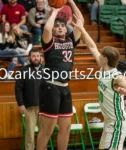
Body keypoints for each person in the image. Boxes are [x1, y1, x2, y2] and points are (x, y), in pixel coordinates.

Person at [72, 13, 126, 150]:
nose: (99, 55)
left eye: (101, 55)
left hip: (117, 122)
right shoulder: (103, 68)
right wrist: (82, 28)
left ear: (105, 59)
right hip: (109, 121)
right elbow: (92, 47)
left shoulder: (117, 77)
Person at [36, 1, 84, 150]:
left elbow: (80, 22)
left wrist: (71, 2)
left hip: (65, 87)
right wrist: (55, 11)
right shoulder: (49, 42)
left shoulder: (70, 40)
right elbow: (47, 29)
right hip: (51, 86)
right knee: (47, 130)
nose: (60, 28)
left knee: (66, 127)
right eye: (57, 26)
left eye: (62, 25)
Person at [15, 48, 43, 150]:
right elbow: (18, 89)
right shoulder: (23, 71)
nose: (36, 58)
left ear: (40, 58)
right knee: (30, 135)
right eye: (34, 56)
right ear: (29, 58)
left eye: (37, 56)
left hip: (44, 108)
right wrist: (20, 104)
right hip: (29, 108)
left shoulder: (46, 70)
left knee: (43, 134)